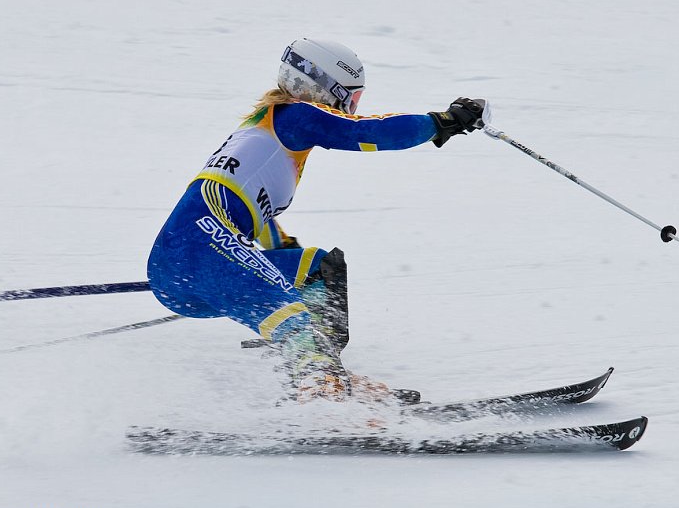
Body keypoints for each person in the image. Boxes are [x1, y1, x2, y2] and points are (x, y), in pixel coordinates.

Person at [147, 38, 485, 403]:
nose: (352, 108)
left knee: (320, 269)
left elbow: (258, 222)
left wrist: (287, 269)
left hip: (187, 264)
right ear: (327, 89)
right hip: (202, 251)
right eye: (351, 99)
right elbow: (366, 132)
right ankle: (320, 391)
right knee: (296, 320)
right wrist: (443, 122)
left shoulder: (268, 130)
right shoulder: (297, 116)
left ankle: (326, 372)